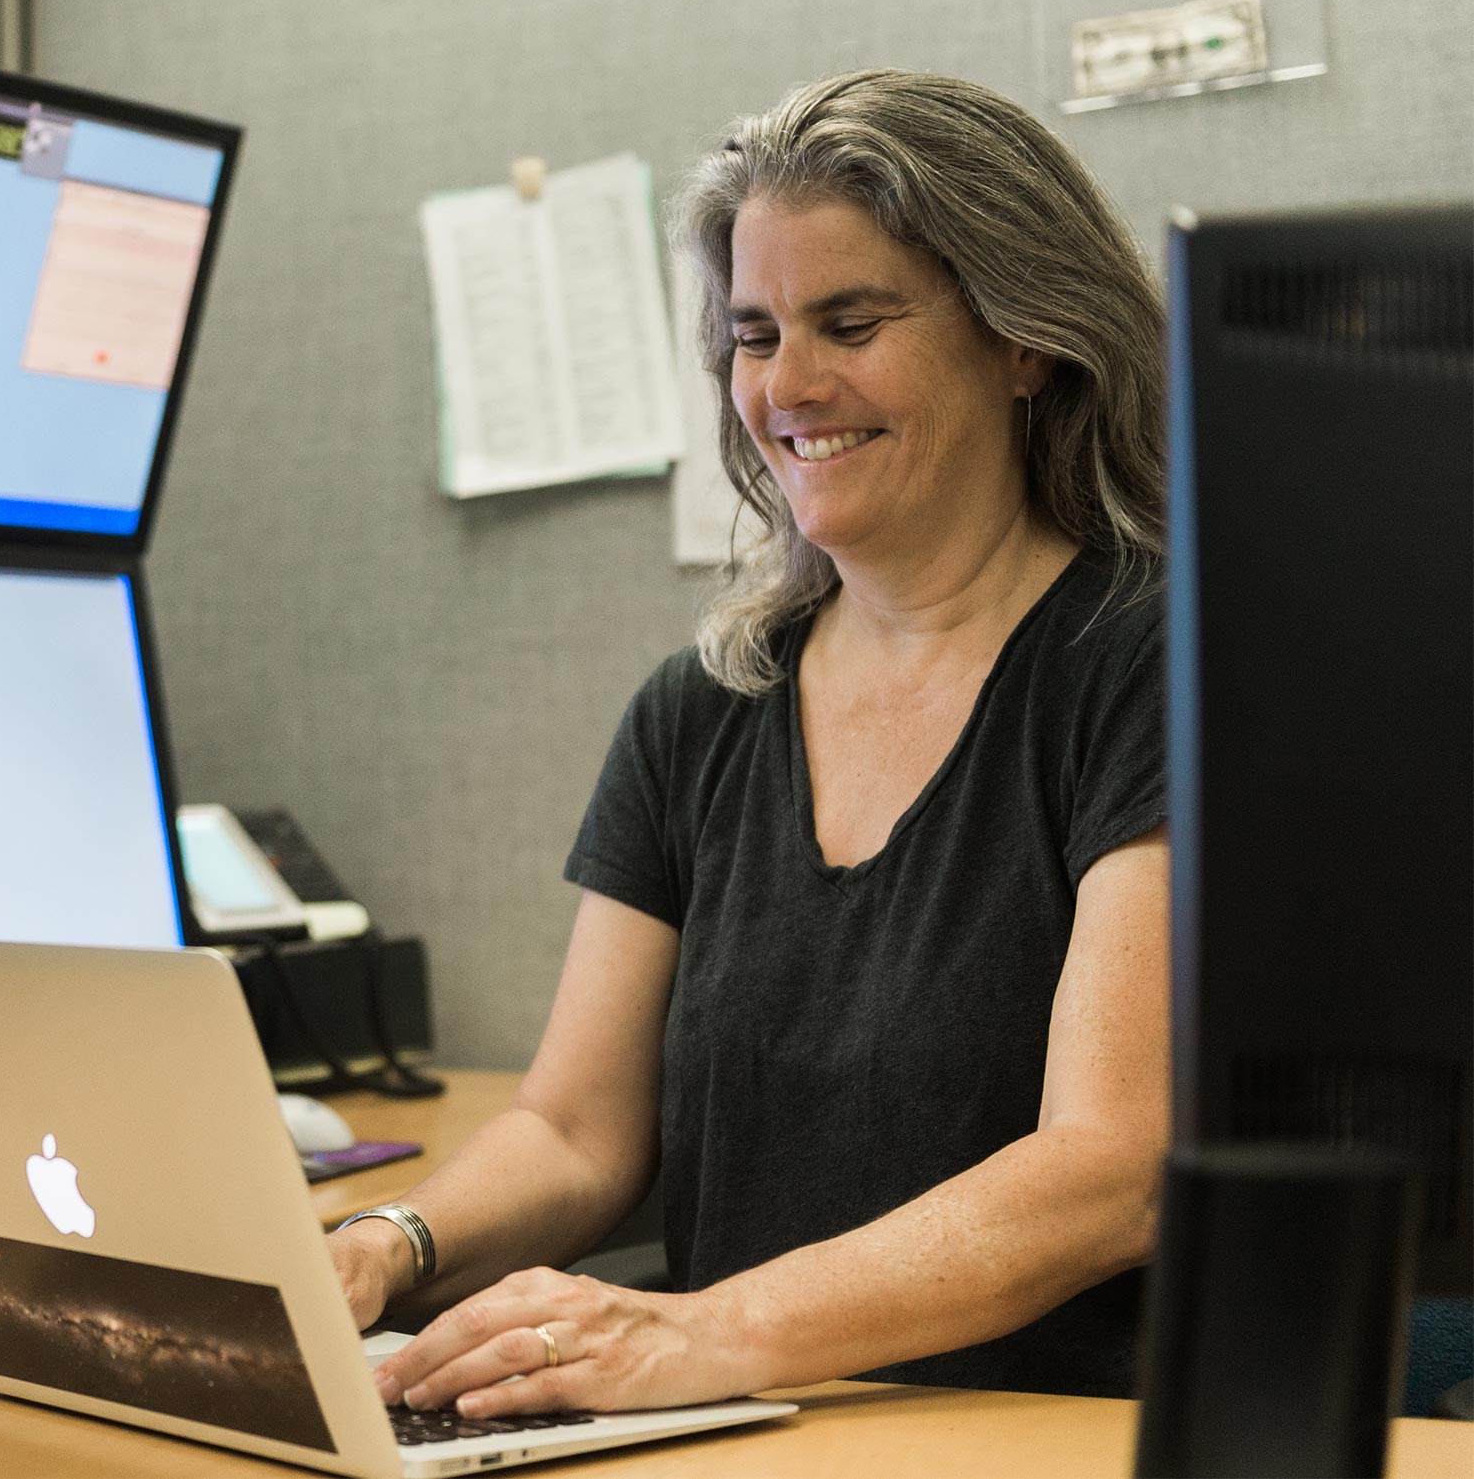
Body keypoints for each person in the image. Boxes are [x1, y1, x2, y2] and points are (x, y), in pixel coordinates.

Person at [341, 69, 1172, 1412]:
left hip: (1033, 1433)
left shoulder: (1148, 668)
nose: (787, 383)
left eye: (850, 321)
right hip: (740, 1430)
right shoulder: (702, 708)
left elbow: (1111, 1166)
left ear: (1025, 340)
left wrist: (703, 1331)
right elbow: (574, 1131)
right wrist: (387, 1247)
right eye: (752, 333)